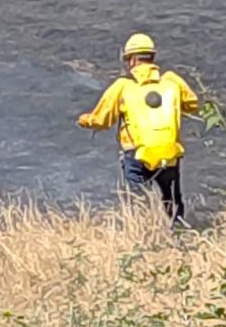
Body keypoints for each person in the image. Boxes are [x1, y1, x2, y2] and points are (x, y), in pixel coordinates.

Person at [77, 33, 199, 226]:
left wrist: (85, 120)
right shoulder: (172, 81)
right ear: (152, 57)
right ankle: (181, 235)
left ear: (131, 59)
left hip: (137, 155)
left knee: (139, 203)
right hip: (169, 153)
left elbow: (102, 120)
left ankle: (145, 237)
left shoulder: (123, 86)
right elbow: (192, 104)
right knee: (172, 202)